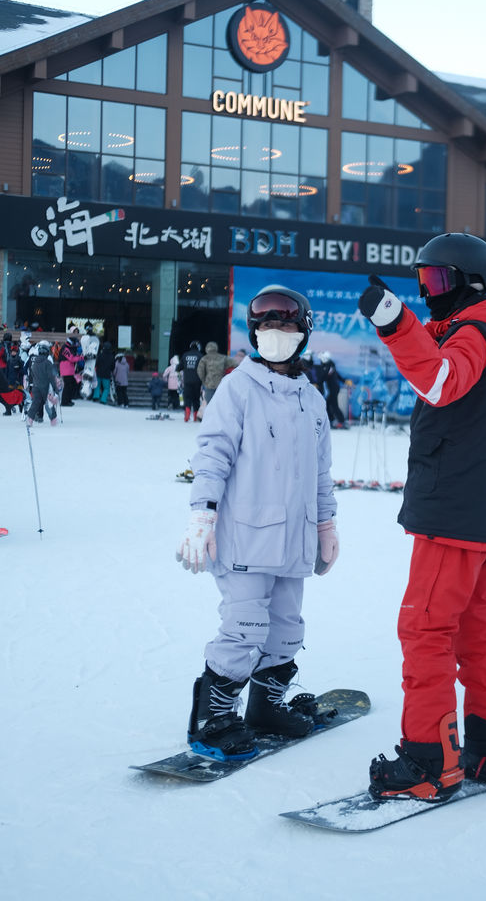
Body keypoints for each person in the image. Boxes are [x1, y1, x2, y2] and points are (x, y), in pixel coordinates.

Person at [357, 232, 486, 804]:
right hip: (485, 514)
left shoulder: (475, 337)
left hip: (456, 517)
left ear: (469, 284)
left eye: (437, 282)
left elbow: (439, 382)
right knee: (474, 631)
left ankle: (428, 759)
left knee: (425, 629)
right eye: (422, 282)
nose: (428, 292)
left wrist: (395, 324)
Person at [175, 284, 339, 761]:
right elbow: (213, 455)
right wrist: (202, 512)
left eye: (286, 325)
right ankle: (212, 716)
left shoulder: (311, 399)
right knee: (244, 627)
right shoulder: (238, 388)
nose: (275, 334)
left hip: (294, 541)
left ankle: (266, 706)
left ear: (303, 333)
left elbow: (321, 474)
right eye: (265, 326)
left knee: (286, 629)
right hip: (245, 537)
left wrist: (326, 527)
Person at [26, 341, 62, 427]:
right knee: (49, 404)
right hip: (46, 387)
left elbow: (32, 374)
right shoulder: (47, 363)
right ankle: (53, 421)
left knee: (35, 403)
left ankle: (29, 420)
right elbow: (51, 377)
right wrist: (55, 389)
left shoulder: (34, 363)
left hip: (36, 386)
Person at [317, 352, 349, 427]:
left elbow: (324, 377)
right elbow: (337, 375)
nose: (321, 361)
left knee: (334, 405)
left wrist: (317, 382)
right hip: (332, 389)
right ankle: (331, 420)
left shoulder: (329, 367)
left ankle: (342, 421)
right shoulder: (330, 366)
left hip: (333, 389)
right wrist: (344, 381)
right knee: (328, 404)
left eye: (322, 359)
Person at [178, 341, 203, 422]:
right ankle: (195, 416)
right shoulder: (200, 356)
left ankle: (187, 416)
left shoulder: (185, 355)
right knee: (196, 399)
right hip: (197, 381)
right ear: (198, 347)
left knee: (187, 398)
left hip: (187, 380)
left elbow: (178, 368)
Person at [58, 327, 83, 406]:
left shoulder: (70, 347)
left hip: (70, 370)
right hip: (66, 370)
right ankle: (64, 402)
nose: (75, 345)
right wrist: (81, 358)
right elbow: (71, 358)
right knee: (67, 386)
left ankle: (68, 400)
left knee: (70, 386)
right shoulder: (65, 348)